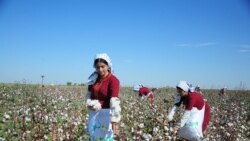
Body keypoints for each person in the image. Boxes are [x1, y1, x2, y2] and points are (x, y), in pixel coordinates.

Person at [85, 53, 121, 141]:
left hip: (106, 115)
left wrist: (115, 120)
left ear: (108, 66)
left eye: (103, 66)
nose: (100, 70)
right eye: (97, 67)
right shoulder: (93, 79)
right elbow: (89, 94)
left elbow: (114, 101)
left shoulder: (113, 80)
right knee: (94, 137)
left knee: (105, 138)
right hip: (94, 114)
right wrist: (89, 103)